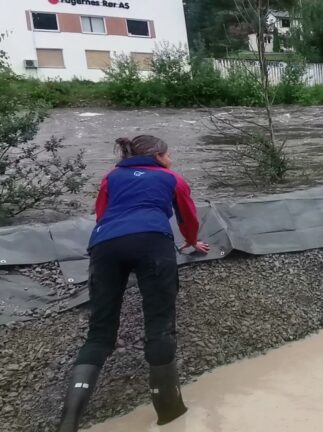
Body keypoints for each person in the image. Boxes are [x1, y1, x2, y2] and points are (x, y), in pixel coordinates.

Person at [57, 135, 209, 431]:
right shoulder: (172, 179)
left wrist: (112, 236)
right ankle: (169, 413)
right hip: (152, 242)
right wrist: (192, 241)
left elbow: (101, 214)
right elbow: (187, 218)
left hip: (105, 245)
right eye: (168, 153)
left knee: (100, 334)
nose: (172, 157)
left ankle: (68, 422)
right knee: (160, 325)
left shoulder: (111, 176)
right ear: (158, 156)